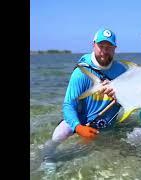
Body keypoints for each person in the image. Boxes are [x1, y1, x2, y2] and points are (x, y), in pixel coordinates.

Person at [41, 28, 126, 167]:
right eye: (101, 46)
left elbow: (131, 100)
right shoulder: (81, 72)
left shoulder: (122, 72)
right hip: (81, 121)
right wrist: (79, 128)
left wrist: (121, 97)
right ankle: (47, 159)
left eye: (109, 47)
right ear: (94, 45)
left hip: (107, 127)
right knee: (58, 134)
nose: (104, 51)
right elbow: (68, 105)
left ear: (115, 49)